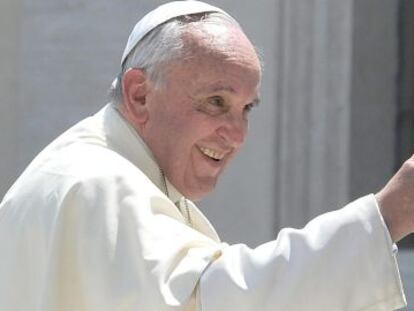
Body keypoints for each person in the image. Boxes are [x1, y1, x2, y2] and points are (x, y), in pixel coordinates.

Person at [0, 1, 412, 310]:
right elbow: (211, 300)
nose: (236, 134)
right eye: (216, 101)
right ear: (140, 94)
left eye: (246, 108)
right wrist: (390, 213)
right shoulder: (95, 182)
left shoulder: (95, 170)